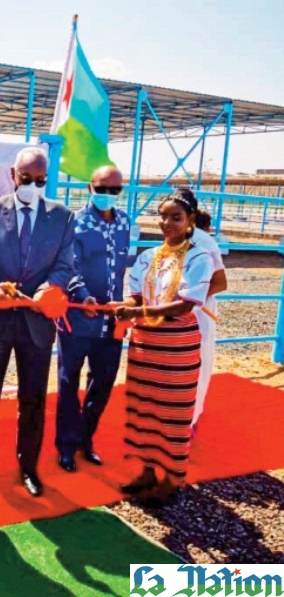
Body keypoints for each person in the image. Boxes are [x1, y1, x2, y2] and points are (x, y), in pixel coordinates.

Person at [0, 147, 75, 498]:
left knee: (33, 399)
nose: (32, 186)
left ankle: (28, 467)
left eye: (40, 181)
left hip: (36, 323)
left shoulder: (62, 216)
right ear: (14, 174)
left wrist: (47, 290)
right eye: (27, 179)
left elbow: (64, 265)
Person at [115, 188, 214, 505]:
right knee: (144, 408)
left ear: (190, 221)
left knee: (172, 413)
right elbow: (138, 295)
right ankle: (146, 471)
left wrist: (137, 311)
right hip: (146, 346)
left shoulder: (199, 258)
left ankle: (171, 479)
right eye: (163, 217)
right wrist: (126, 304)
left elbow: (184, 306)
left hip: (177, 349)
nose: (167, 223)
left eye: (176, 217)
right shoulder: (147, 256)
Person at [55, 165, 130, 472]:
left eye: (114, 190)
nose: (107, 195)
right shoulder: (75, 223)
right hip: (78, 318)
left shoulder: (125, 221)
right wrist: (81, 294)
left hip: (112, 321)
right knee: (68, 382)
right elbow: (68, 266)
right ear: (90, 187)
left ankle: (86, 438)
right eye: (102, 189)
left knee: (103, 382)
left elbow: (124, 266)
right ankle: (66, 446)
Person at [190, 204, 228, 430]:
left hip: (197, 312)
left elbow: (220, 282)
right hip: (180, 312)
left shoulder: (203, 241)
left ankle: (192, 417)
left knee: (198, 363)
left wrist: (190, 299)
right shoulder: (176, 238)